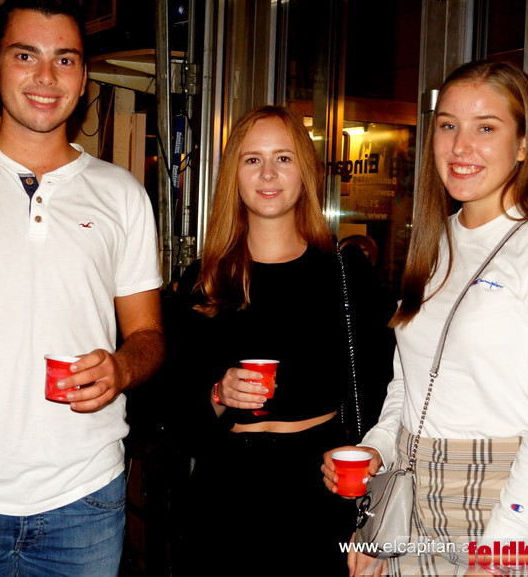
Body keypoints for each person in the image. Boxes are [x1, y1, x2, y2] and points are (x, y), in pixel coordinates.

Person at [0, 0, 164, 577]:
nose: (46, 77)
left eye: (65, 59)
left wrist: (121, 368)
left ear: (83, 78)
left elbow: (148, 335)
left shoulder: (123, 194)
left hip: (86, 494)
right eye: (25, 55)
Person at [323, 60, 528, 575]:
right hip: (416, 500)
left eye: (486, 128)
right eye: (448, 125)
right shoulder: (436, 242)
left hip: (515, 507)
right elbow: (409, 385)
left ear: (524, 145)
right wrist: (376, 454)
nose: (460, 146)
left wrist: (499, 550)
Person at [168, 106, 395, 575]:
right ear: (234, 175)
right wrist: (218, 394)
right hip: (224, 496)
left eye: (283, 158)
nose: (268, 173)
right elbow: (176, 420)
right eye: (253, 160)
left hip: (321, 490)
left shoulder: (347, 275)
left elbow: (382, 396)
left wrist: (373, 518)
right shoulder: (204, 281)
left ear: (304, 172)